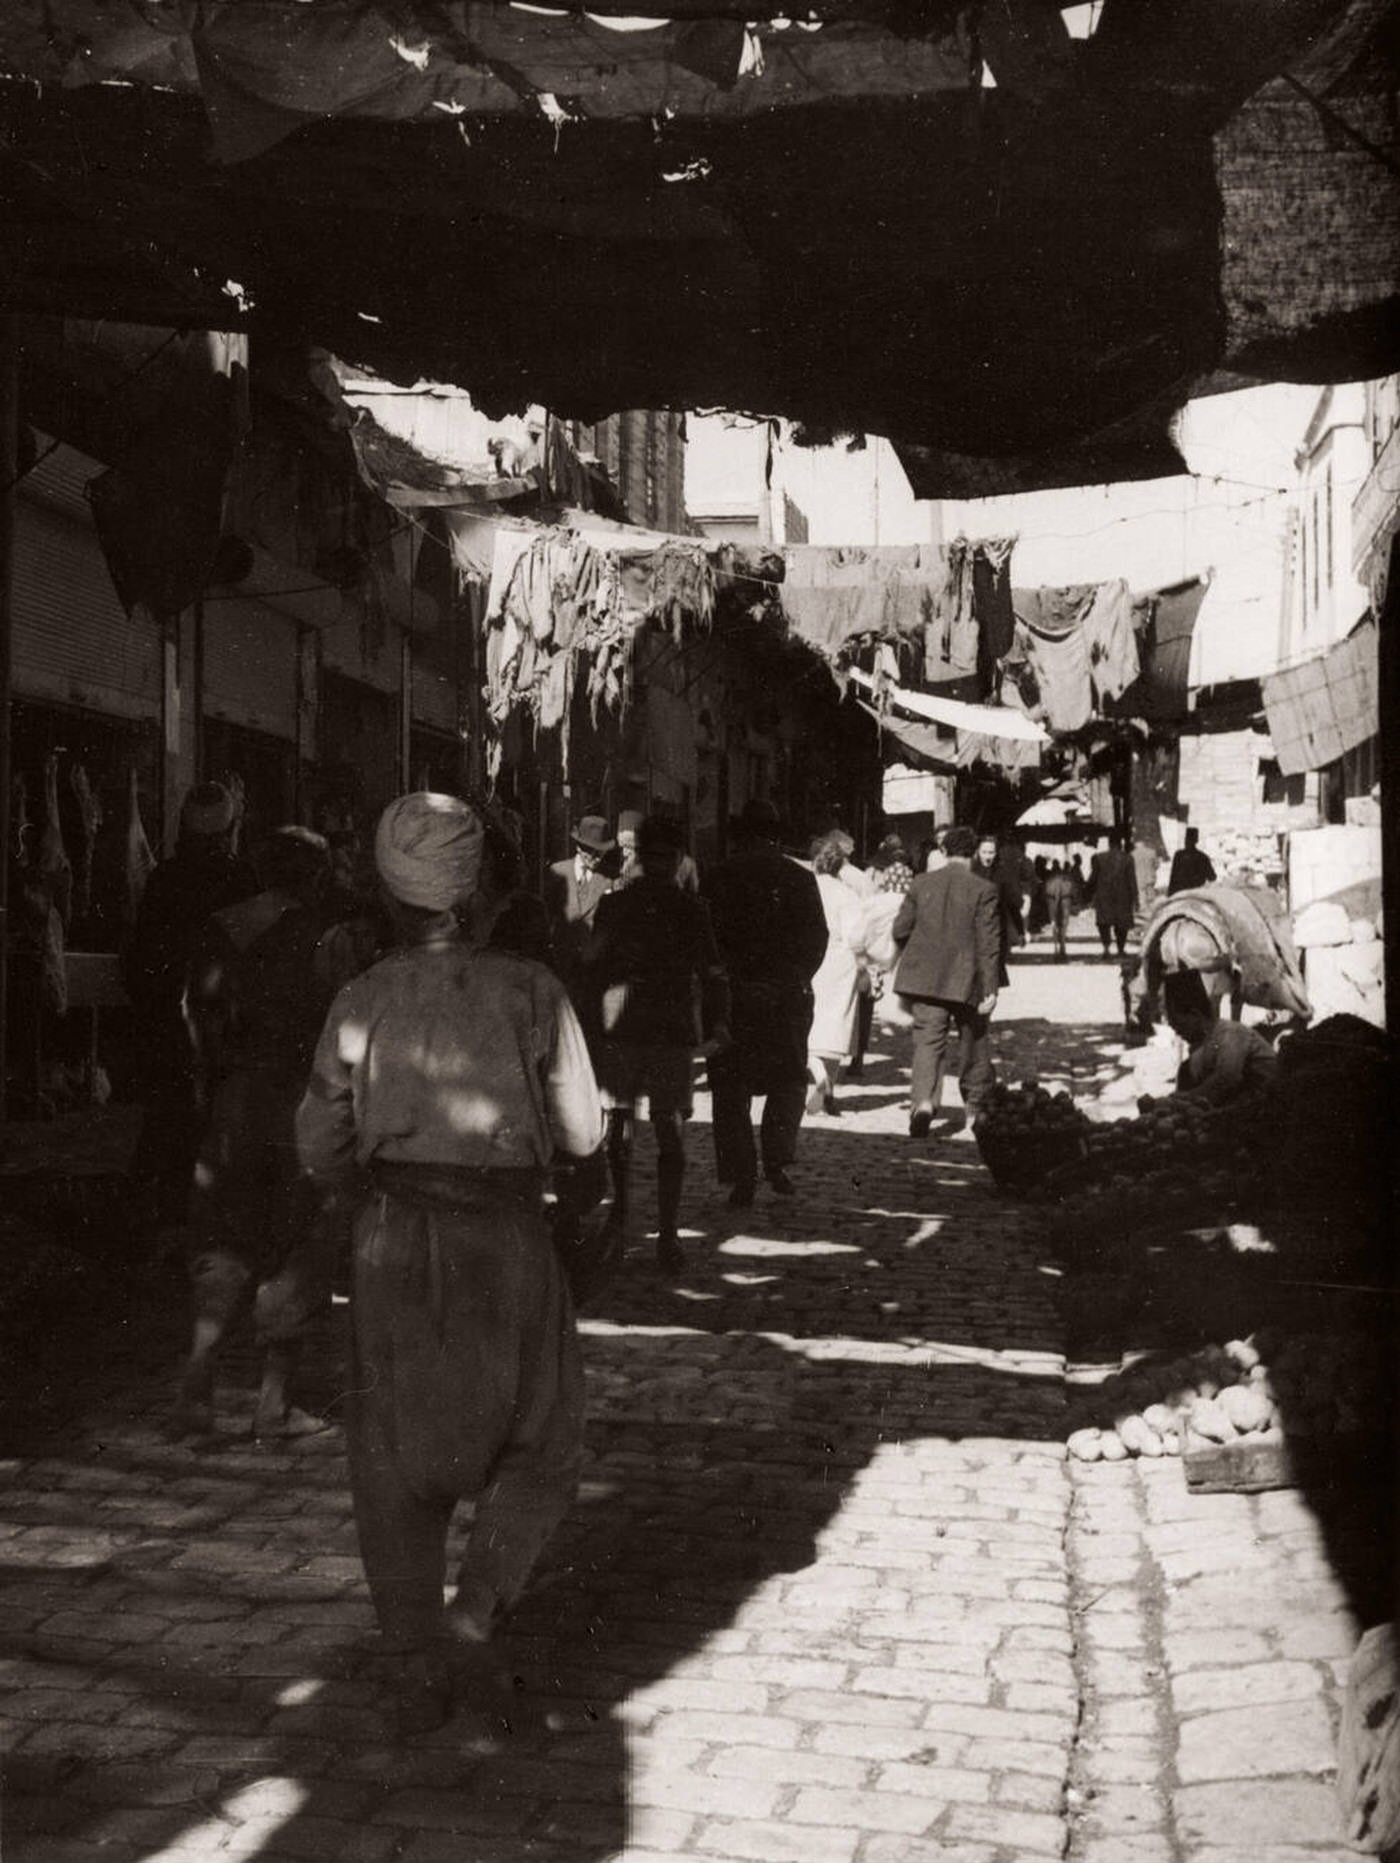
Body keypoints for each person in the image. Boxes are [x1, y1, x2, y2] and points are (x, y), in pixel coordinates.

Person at [296, 793, 605, 1735]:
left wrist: (365, 1183)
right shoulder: (534, 992)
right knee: (541, 1435)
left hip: (390, 1237)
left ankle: (408, 1650)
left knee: (390, 1450)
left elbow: (318, 1138)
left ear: (389, 896)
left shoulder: (362, 997)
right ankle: (474, 1609)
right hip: (508, 1237)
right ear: (479, 893)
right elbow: (585, 1130)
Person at [175, 826, 338, 1440]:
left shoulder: (222, 926)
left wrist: (213, 1078)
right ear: (315, 876)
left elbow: (193, 1011)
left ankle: (197, 1387)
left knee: (222, 1236)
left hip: (233, 1098)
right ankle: (273, 1403)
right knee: (296, 1241)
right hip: (299, 1099)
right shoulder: (322, 935)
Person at [582, 816, 730, 1273]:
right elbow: (712, 974)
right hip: (659, 1027)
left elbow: (594, 970)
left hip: (632, 1025)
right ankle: (656, 1230)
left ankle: (635, 1222)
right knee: (658, 1131)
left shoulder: (619, 906)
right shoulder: (689, 909)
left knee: (629, 1131)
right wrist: (717, 1023)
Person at [123, 781, 259, 1230]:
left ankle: (160, 1222)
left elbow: (140, 960)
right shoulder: (240, 879)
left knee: (168, 1124)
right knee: (212, 1128)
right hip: (218, 1027)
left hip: (169, 1026)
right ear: (229, 829)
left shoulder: (166, 878)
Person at [705, 799, 828, 1206]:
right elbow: (817, 938)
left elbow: (709, 940)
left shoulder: (720, 875)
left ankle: (741, 1175)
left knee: (730, 1087)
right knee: (788, 1079)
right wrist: (795, 979)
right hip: (785, 996)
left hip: (734, 996)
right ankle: (776, 1161)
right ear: (776, 835)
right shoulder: (797, 877)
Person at [892, 825, 1000, 1138]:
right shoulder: (983, 889)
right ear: (974, 853)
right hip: (968, 981)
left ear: (944, 851)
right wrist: (990, 989)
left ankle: (924, 1101)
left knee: (928, 1042)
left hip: (924, 980)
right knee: (974, 1043)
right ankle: (974, 1108)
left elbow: (900, 929)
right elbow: (989, 944)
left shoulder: (922, 883)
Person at [807, 835, 868, 1116]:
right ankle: (829, 1081)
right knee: (836, 1025)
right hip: (841, 961)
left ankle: (818, 1076)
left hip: (812, 957)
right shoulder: (847, 894)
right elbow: (856, 936)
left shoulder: (806, 888)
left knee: (808, 1023)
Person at [1163, 970, 1279, 1106]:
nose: (1179, 1033)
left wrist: (1187, 1099)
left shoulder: (1231, 1033)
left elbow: (1227, 1078)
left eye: (1179, 1026)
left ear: (1195, 1015)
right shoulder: (1200, 1048)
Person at [542, 814, 616, 999]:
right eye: (591, 851)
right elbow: (546, 918)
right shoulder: (557, 872)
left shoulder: (610, 879)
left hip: (593, 970)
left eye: (601, 852)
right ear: (579, 847)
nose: (596, 857)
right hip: (560, 966)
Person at [972, 832, 1013, 988]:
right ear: (978, 852)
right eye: (984, 852)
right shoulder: (971, 873)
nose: (988, 856)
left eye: (991, 852)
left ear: (996, 853)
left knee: (994, 969)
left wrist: (1020, 931)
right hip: (974, 927)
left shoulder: (1002, 874)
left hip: (997, 928)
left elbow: (1009, 903)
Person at [1088, 831, 1139, 957]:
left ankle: (1106, 949)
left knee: (1103, 923)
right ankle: (1120, 949)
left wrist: (1089, 894)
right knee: (1121, 924)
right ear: (1120, 843)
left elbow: (1093, 879)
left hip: (1104, 896)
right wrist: (1135, 898)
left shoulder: (1099, 858)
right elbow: (1132, 880)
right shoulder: (1128, 859)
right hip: (1123, 896)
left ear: (1109, 843)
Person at [1168, 826, 1217, 896]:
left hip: (1179, 894)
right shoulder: (1203, 857)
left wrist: (1170, 896)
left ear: (1185, 839)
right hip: (1196, 894)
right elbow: (1212, 877)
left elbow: (1173, 878)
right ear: (1196, 840)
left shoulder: (1178, 855)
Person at [1045, 861, 1077, 962]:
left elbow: (1044, 894)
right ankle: (1063, 947)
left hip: (1051, 899)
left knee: (1054, 923)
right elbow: (1073, 893)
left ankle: (1055, 949)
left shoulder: (1049, 881)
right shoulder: (1067, 881)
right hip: (1065, 898)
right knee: (1064, 924)